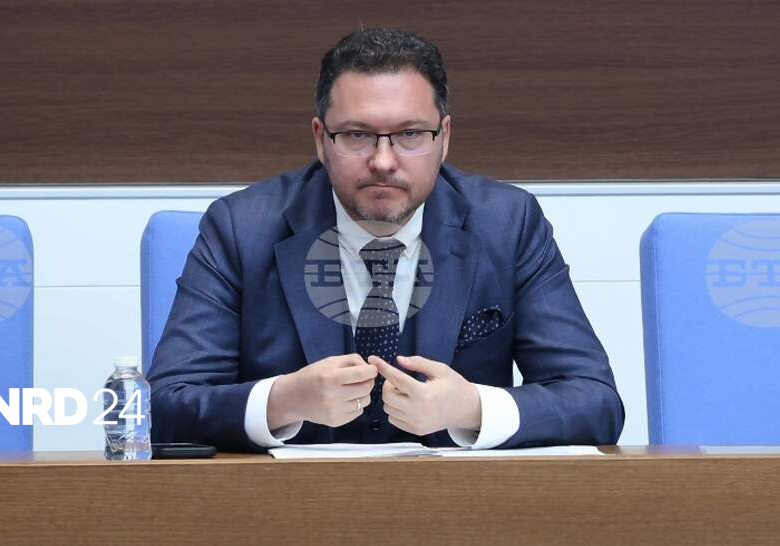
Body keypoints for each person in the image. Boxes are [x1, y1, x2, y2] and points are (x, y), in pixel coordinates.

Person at [147, 28, 625, 452]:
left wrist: (472, 408)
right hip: (290, 504)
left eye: (410, 133)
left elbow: (595, 400)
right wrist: (281, 401)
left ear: (444, 138)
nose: (383, 161)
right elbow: (165, 406)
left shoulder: (508, 224)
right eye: (357, 135)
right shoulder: (240, 227)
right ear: (320, 139)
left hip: (460, 505)